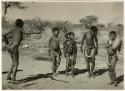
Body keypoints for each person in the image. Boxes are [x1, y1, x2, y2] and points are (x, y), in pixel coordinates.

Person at [2, 19, 24, 84]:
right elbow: (27, 33)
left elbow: (3, 35)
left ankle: (8, 76)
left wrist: (7, 43)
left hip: (10, 46)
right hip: (14, 47)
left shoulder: (12, 29)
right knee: (16, 64)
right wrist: (36, 32)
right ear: (21, 24)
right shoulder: (21, 29)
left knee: (13, 62)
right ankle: (13, 79)